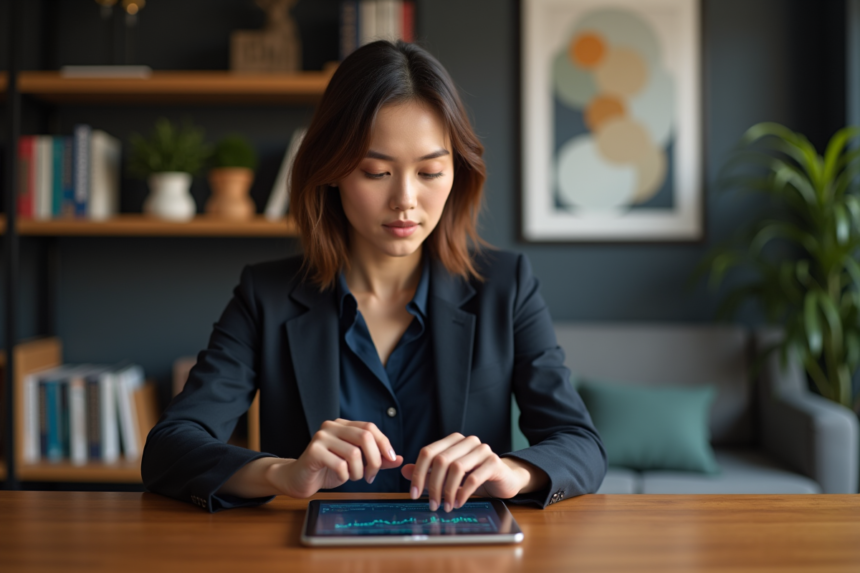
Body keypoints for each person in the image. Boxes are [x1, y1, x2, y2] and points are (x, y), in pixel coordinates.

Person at [141, 40, 606, 513]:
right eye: (376, 172)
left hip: (464, 545)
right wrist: (283, 473)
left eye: (430, 171)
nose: (405, 199)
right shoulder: (268, 295)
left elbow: (581, 444)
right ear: (332, 171)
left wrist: (511, 473)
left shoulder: (505, 285)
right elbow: (168, 448)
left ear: (457, 173)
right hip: (315, 547)